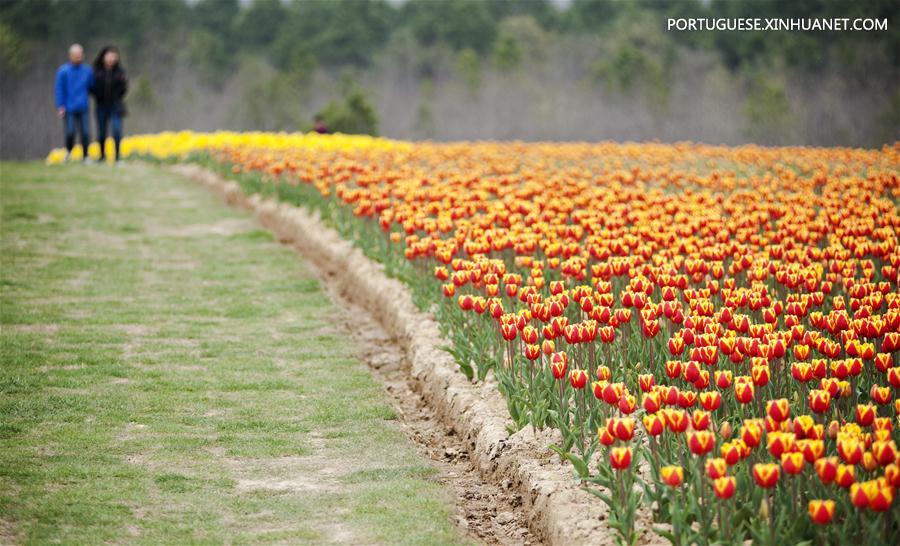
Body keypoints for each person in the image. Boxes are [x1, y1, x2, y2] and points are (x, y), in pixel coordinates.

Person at [55, 44, 94, 162]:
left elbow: (93, 87)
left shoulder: (88, 71)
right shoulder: (63, 71)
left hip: (83, 106)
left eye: (80, 55)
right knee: (70, 132)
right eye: (76, 55)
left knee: (86, 132)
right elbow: (59, 89)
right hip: (69, 107)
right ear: (70, 56)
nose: (78, 57)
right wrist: (60, 106)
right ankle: (68, 152)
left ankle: (86, 156)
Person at [91, 46, 128, 163]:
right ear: (103, 57)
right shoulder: (96, 72)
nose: (111, 59)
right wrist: (98, 96)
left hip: (115, 106)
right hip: (101, 105)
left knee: (117, 130)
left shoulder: (120, 72)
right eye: (109, 56)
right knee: (102, 133)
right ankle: (102, 156)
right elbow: (92, 88)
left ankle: (117, 157)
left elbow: (124, 89)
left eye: (114, 56)